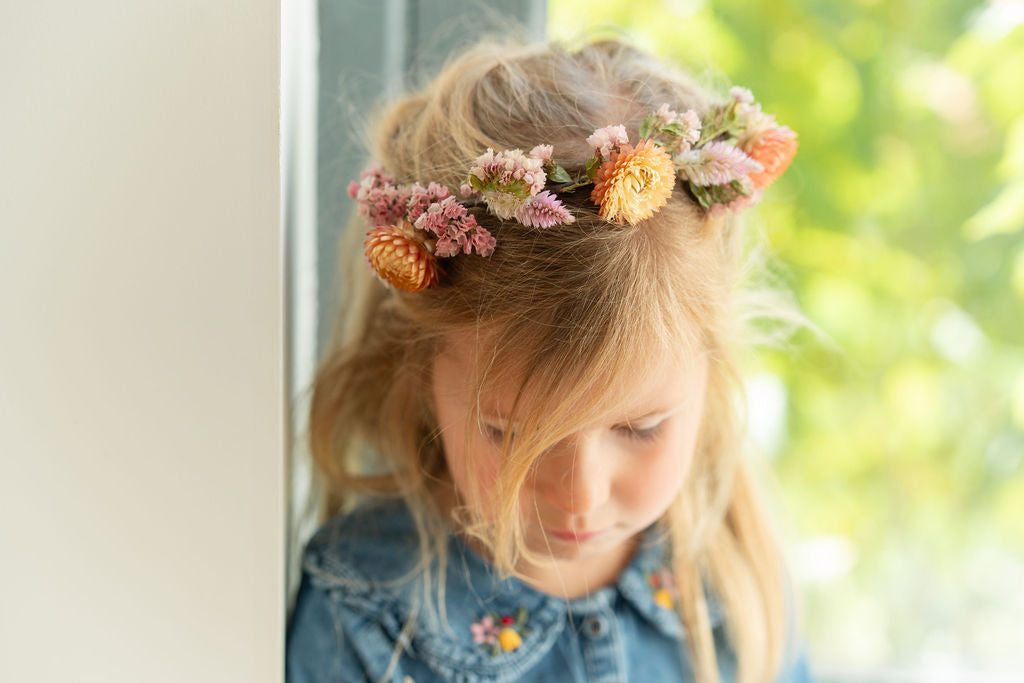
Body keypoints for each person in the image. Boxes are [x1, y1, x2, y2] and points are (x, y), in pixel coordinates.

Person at [286, 37, 812, 683]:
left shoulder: (735, 582)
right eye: (511, 434)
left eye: (640, 427)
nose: (579, 495)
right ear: (420, 373)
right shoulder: (368, 607)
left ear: (711, 374)